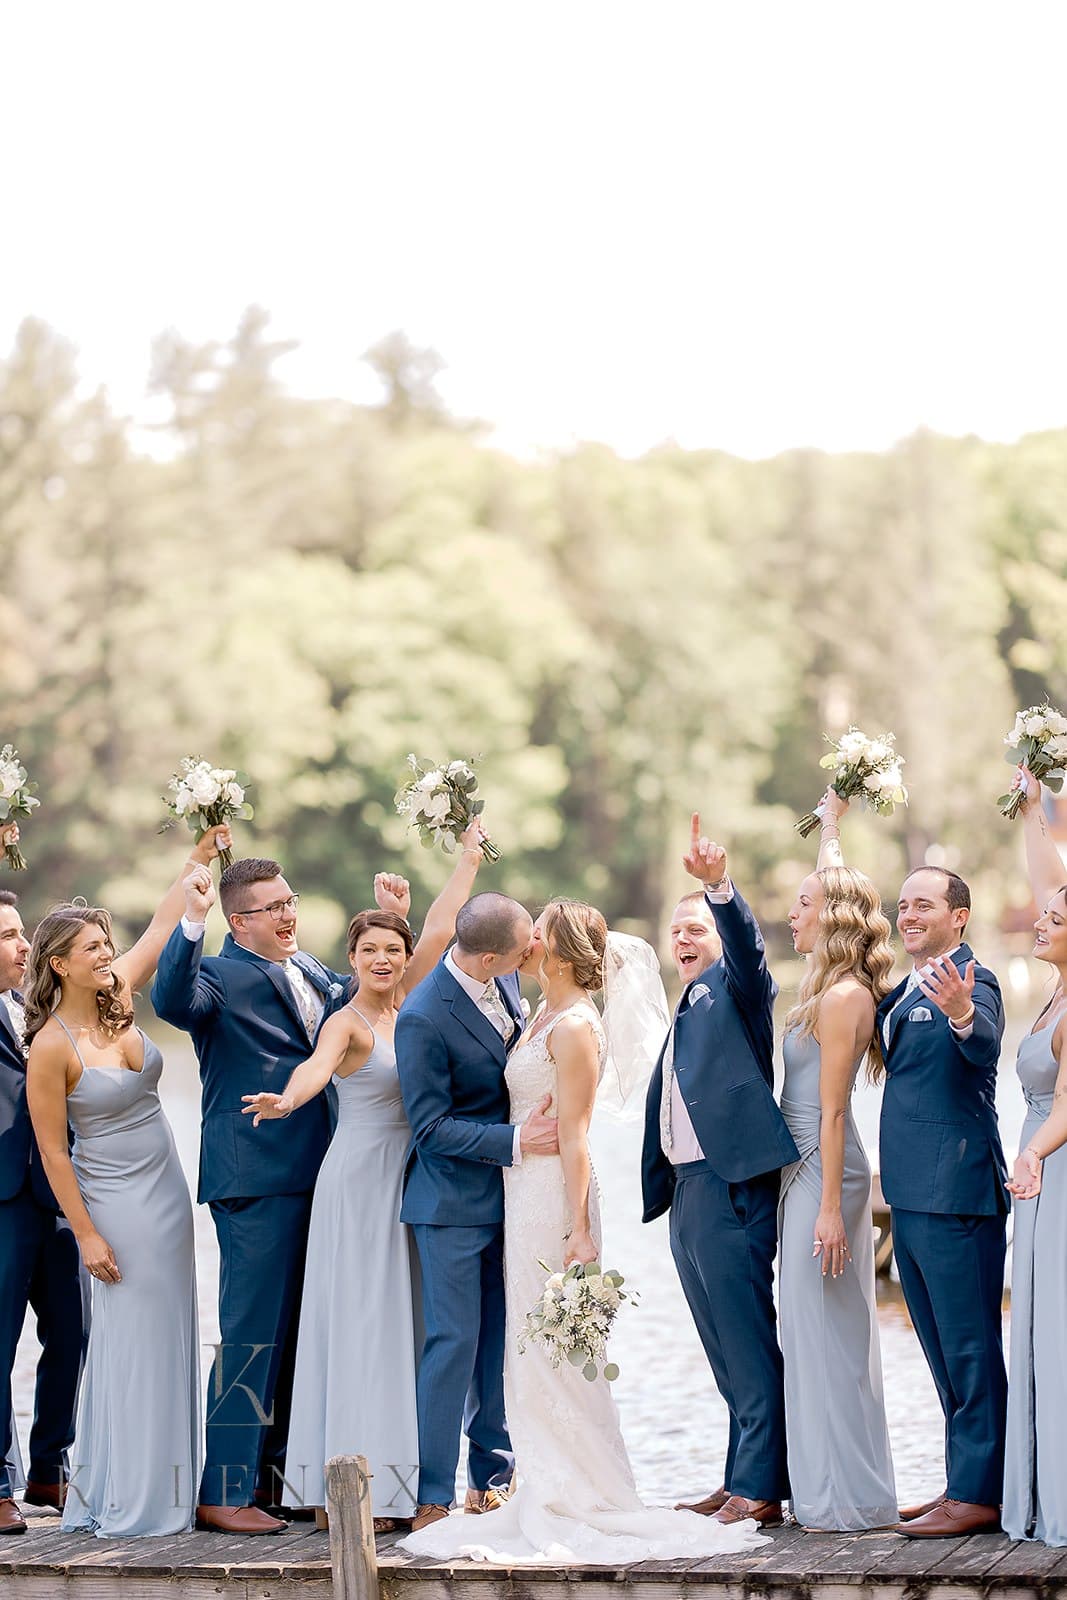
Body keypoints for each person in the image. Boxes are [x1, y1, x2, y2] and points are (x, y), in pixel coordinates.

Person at [403, 899, 766, 1564]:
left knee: (556, 1352)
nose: (528, 942)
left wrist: (579, 1233)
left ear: (560, 951)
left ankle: (579, 1489)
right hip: (518, 1192)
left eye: (537, 932)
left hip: (553, 1202)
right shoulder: (531, 1006)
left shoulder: (573, 1027)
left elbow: (574, 1138)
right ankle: (536, 1478)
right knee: (528, 1350)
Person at [241, 822, 491, 1529]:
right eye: (368, 949)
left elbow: (442, 930)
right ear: (349, 958)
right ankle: (347, 1494)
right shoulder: (344, 1022)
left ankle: (401, 1486)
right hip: (356, 1183)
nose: (382, 958)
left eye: (392, 949)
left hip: (410, 1185)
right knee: (358, 1327)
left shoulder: (412, 1007)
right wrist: (286, 1099)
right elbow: (313, 1073)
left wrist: (467, 859)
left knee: (403, 1327)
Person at [152, 855, 391, 1534]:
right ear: (239, 921)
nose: (288, 914)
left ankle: (277, 1482)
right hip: (254, 1175)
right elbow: (171, 999)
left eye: (291, 901)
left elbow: (369, 996)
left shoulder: (310, 969)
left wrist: (393, 924)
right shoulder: (218, 977)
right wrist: (189, 918)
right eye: (272, 907)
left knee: (298, 1331)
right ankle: (222, 1490)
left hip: (323, 1172)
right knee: (252, 1335)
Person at [25, 827, 230, 1536]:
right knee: (130, 1339)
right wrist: (85, 1233)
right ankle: (128, 1493)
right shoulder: (51, 1046)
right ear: (60, 964)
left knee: (172, 1330)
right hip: (113, 1204)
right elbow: (54, 1153)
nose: (107, 957)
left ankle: (172, 1486)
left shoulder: (119, 997)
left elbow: (165, 923)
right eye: (92, 950)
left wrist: (199, 861)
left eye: (107, 948)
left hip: (166, 1193)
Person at [642, 817, 799, 1529]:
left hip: (731, 1184)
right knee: (717, 1340)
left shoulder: (737, 990)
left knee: (743, 1333)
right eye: (676, 931)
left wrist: (718, 890)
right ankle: (738, 1472)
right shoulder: (686, 1001)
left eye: (695, 929)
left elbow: (748, 951)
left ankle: (762, 1487)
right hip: (688, 1190)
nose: (683, 939)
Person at [393, 892, 551, 1531]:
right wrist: (518, 1142)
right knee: (452, 1343)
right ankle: (432, 1493)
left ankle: (492, 1480)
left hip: (512, 1202)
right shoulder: (423, 1016)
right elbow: (429, 1127)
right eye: (523, 948)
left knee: (496, 1344)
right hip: (452, 1204)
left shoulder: (505, 976)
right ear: (489, 956)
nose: (533, 953)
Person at [778, 790, 897, 1529]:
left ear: (830, 919)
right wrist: (830, 829)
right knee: (809, 1328)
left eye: (801, 904)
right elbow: (832, 879)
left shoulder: (842, 998)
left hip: (824, 1172)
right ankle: (821, 1487)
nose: (791, 914)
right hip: (803, 1169)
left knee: (829, 1332)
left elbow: (829, 1111)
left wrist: (826, 1207)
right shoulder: (824, 983)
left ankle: (846, 1499)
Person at [879, 863, 1007, 1538]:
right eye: (902, 905)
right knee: (936, 1347)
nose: (908, 915)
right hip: (909, 1193)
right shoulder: (904, 988)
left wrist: (960, 1013)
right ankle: (959, 1482)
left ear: (957, 917)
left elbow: (981, 1042)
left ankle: (980, 1494)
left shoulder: (973, 980)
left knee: (968, 1348)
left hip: (957, 1192)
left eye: (922, 905)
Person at [0, 873, 88, 1537]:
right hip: (1, 1202)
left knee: (74, 1334)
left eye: (21, 933)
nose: (21, 944)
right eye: (7, 936)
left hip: (60, 1198)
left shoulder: (44, 1009)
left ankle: (48, 1468)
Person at [1002, 764, 1067, 1546]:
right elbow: (1049, 873)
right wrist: (1030, 811)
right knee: (1038, 1324)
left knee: (1057, 1324)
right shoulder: (1051, 994)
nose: (1041, 919)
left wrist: (1035, 1155)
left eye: (1054, 915)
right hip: (1040, 1170)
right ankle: (1040, 1485)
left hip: (1052, 1166)